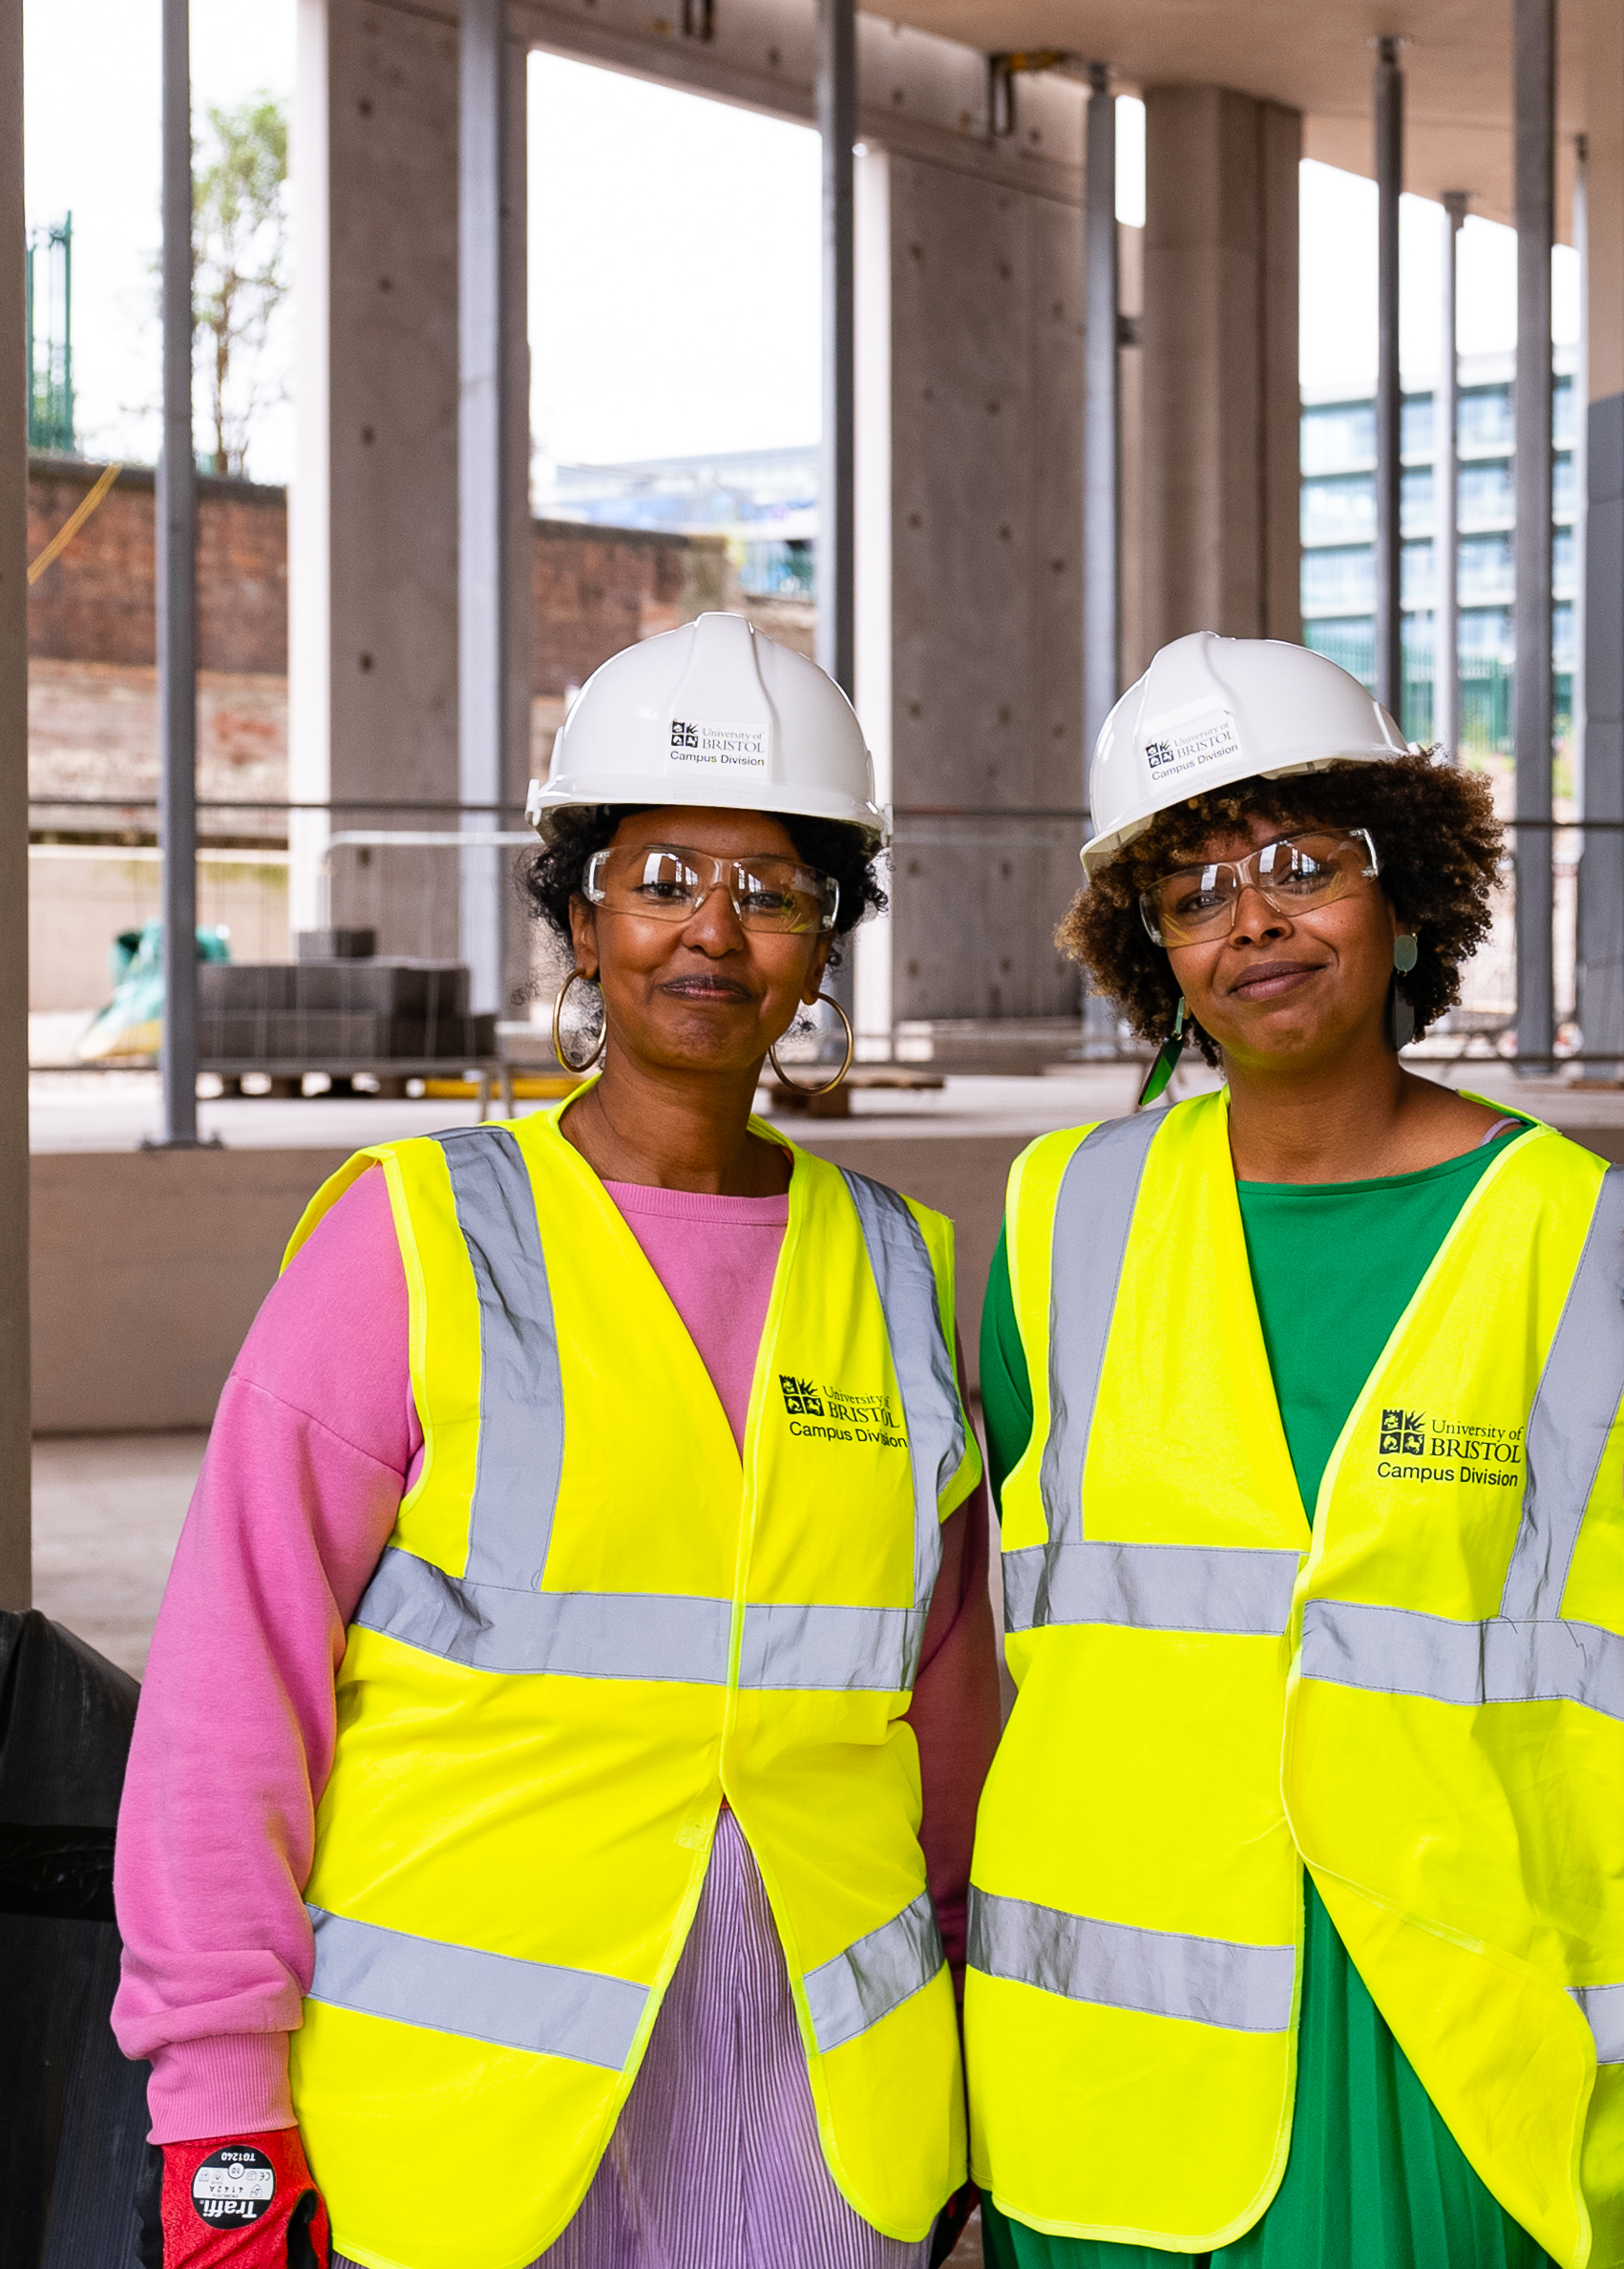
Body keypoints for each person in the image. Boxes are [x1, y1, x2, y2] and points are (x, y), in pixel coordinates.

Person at [115, 612, 996, 2269]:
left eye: (773, 892)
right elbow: (236, 1681)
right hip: (473, 2123)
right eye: (662, 880)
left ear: (825, 944)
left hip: (826, 2120)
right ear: (581, 922)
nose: (713, 936)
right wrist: (217, 2101)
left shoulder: (897, 1267)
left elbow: (944, 1687)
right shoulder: (413, 1244)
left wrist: (968, 2027)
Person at [965, 634, 1624, 2269]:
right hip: (1118, 2075)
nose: (1255, 921)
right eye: (1194, 888)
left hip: (1453, 2048)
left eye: (1304, 863)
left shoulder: (1592, 1241)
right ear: (1152, 951)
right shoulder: (1057, 1218)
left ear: (1409, 892)